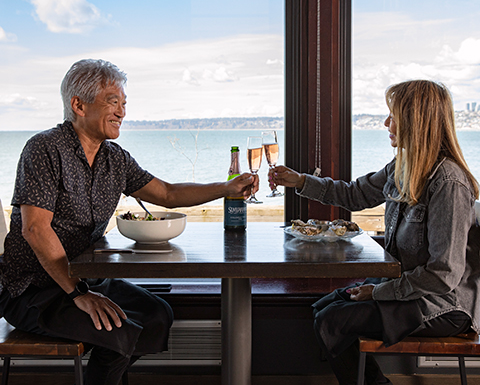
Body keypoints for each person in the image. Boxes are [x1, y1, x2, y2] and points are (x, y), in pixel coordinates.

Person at [0, 59, 258, 385]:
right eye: (113, 101)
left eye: (124, 103)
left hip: (86, 279)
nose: (122, 111)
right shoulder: (44, 149)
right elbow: (35, 229)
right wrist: (78, 293)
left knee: (157, 315)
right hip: (33, 290)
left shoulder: (114, 158)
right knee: (117, 329)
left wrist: (227, 188)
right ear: (78, 105)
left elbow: (166, 193)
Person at [269, 80, 480, 385]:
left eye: (392, 116)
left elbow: (442, 275)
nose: (386, 123)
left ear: (414, 121)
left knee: (334, 321)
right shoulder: (403, 167)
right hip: (412, 292)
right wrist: (300, 181)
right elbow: (355, 194)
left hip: (443, 305)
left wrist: (379, 291)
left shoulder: (448, 182)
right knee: (322, 308)